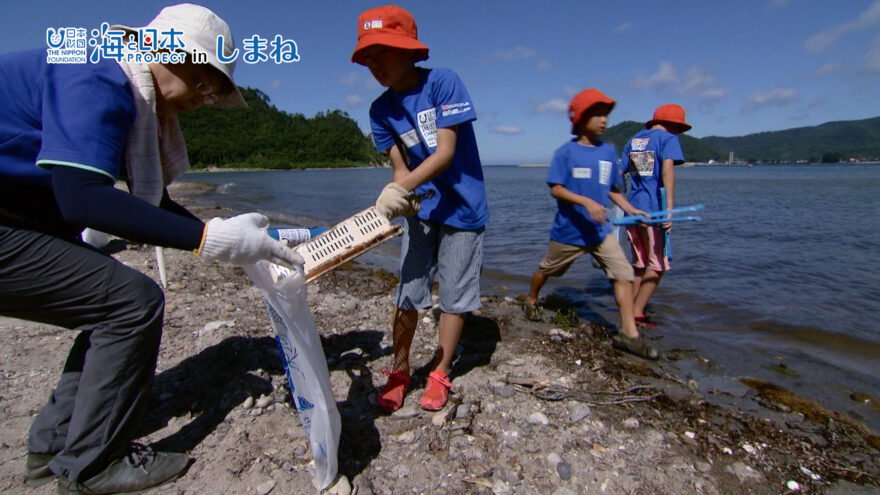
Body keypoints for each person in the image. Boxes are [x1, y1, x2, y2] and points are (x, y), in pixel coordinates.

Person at [0, 4, 303, 494]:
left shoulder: (117, 81)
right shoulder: (96, 73)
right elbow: (82, 198)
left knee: (103, 296)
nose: (205, 99)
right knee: (132, 302)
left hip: (14, 216)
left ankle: (51, 446)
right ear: (164, 51)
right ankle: (93, 465)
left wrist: (218, 231)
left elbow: (151, 203)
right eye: (206, 82)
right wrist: (210, 240)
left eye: (214, 91)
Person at [351, 5, 489, 412]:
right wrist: (398, 199)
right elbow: (400, 168)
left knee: (455, 293)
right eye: (367, 57)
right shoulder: (380, 111)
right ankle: (400, 368)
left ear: (409, 50)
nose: (374, 64)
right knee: (409, 287)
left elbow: (445, 152)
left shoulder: (443, 83)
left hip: (463, 208)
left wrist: (396, 190)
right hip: (422, 210)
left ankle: (441, 368)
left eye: (382, 52)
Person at [524, 89, 658, 360]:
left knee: (624, 274)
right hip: (569, 232)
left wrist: (634, 210)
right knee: (547, 270)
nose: (604, 120)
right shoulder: (565, 153)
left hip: (600, 231)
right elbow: (556, 189)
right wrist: (586, 202)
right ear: (580, 119)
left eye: (606, 114)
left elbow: (613, 190)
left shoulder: (609, 151)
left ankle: (629, 335)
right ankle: (532, 298)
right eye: (596, 114)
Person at [619, 104, 691, 326]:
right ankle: (637, 313)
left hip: (632, 208)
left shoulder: (634, 140)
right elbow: (668, 169)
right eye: (679, 128)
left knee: (640, 263)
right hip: (653, 209)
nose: (678, 133)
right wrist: (668, 210)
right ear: (673, 125)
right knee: (658, 265)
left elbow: (619, 172)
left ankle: (630, 308)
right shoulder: (667, 139)